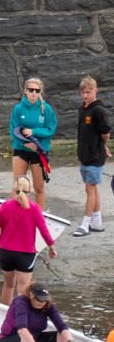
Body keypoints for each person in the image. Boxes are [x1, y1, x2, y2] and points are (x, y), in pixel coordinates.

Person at [0, 177, 57, 305]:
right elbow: (44, 230)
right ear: (30, 192)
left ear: (14, 189)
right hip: (25, 254)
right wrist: (51, 246)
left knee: (8, 285)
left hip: (6, 252)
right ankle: (20, 318)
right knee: (22, 289)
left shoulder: (5, 206)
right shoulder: (34, 208)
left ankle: (5, 314)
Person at [9, 77, 58, 212]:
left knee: (38, 187)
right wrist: (26, 144)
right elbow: (14, 131)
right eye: (31, 90)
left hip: (39, 152)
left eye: (37, 90)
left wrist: (34, 131)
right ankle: (15, 215)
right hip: (21, 150)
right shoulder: (18, 109)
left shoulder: (46, 109)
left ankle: (39, 217)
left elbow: (51, 129)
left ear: (40, 92)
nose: (34, 93)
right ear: (26, 91)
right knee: (18, 186)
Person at [74, 75, 110, 236]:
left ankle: (85, 223)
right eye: (83, 92)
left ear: (95, 91)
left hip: (95, 156)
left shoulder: (98, 110)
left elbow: (105, 132)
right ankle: (97, 222)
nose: (85, 95)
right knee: (92, 188)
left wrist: (103, 146)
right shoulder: (83, 109)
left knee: (90, 188)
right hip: (84, 155)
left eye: (88, 92)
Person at [0, 283, 74, 342]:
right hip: (9, 341)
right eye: (39, 299)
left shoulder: (47, 305)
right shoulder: (21, 302)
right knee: (25, 337)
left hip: (35, 340)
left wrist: (70, 341)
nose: (42, 303)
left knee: (63, 335)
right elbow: (22, 330)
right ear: (31, 295)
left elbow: (61, 325)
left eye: (44, 300)